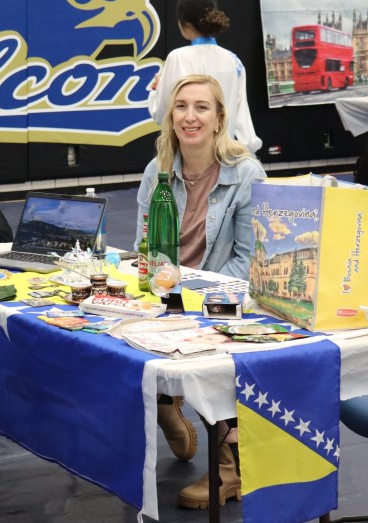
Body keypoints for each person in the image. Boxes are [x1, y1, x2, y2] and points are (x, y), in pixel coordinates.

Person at [135, 74, 265, 509]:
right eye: (181, 107)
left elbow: (248, 262)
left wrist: (190, 298)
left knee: (208, 346)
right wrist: (156, 287)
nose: (190, 117)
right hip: (168, 295)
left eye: (201, 107)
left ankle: (230, 466)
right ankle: (166, 400)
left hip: (223, 298)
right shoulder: (157, 169)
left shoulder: (246, 173)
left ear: (219, 119)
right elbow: (144, 246)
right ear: (170, 117)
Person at [148, 0, 262, 154]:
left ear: (184, 24)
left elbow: (162, 114)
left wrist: (156, 91)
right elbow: (242, 116)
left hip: (189, 153)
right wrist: (249, 151)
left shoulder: (178, 57)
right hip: (225, 154)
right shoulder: (233, 60)